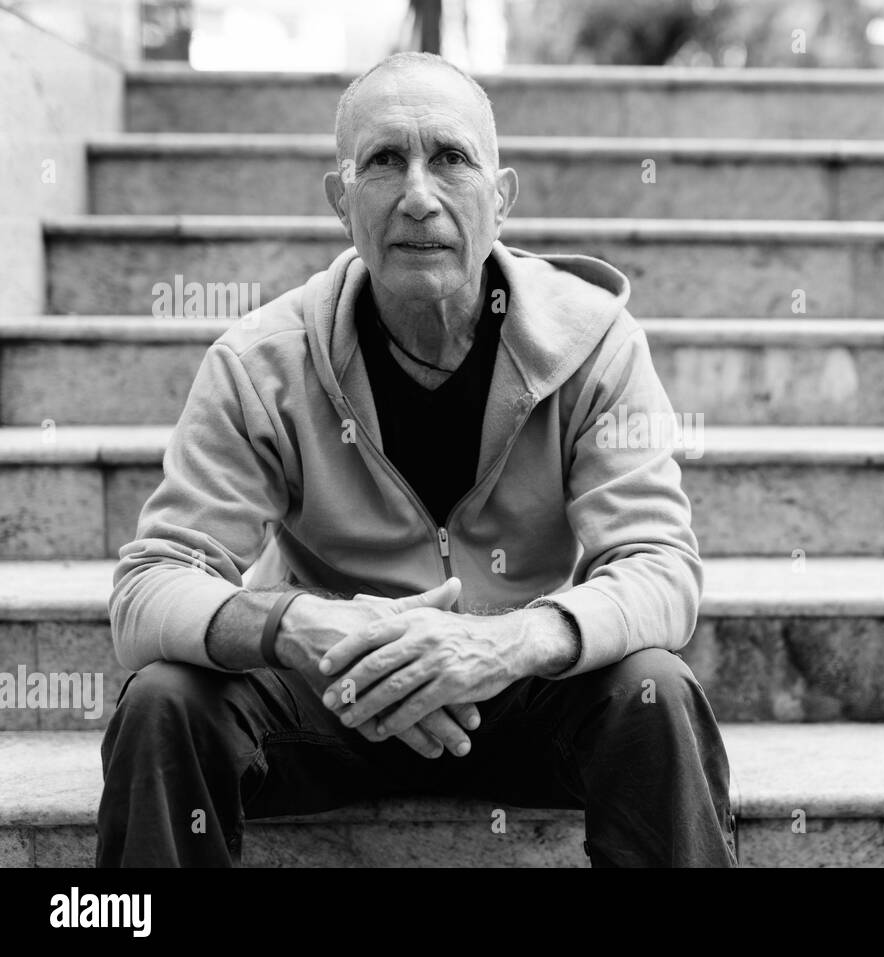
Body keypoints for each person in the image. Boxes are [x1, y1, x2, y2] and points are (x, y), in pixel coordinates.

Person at [96, 51, 735, 868]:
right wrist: (302, 627)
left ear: (500, 200)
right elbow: (149, 586)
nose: (419, 196)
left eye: (451, 158)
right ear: (342, 199)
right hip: (327, 694)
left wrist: (505, 644)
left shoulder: (596, 343)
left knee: (657, 691)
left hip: (514, 696)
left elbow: (660, 568)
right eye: (385, 161)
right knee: (162, 702)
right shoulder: (259, 363)